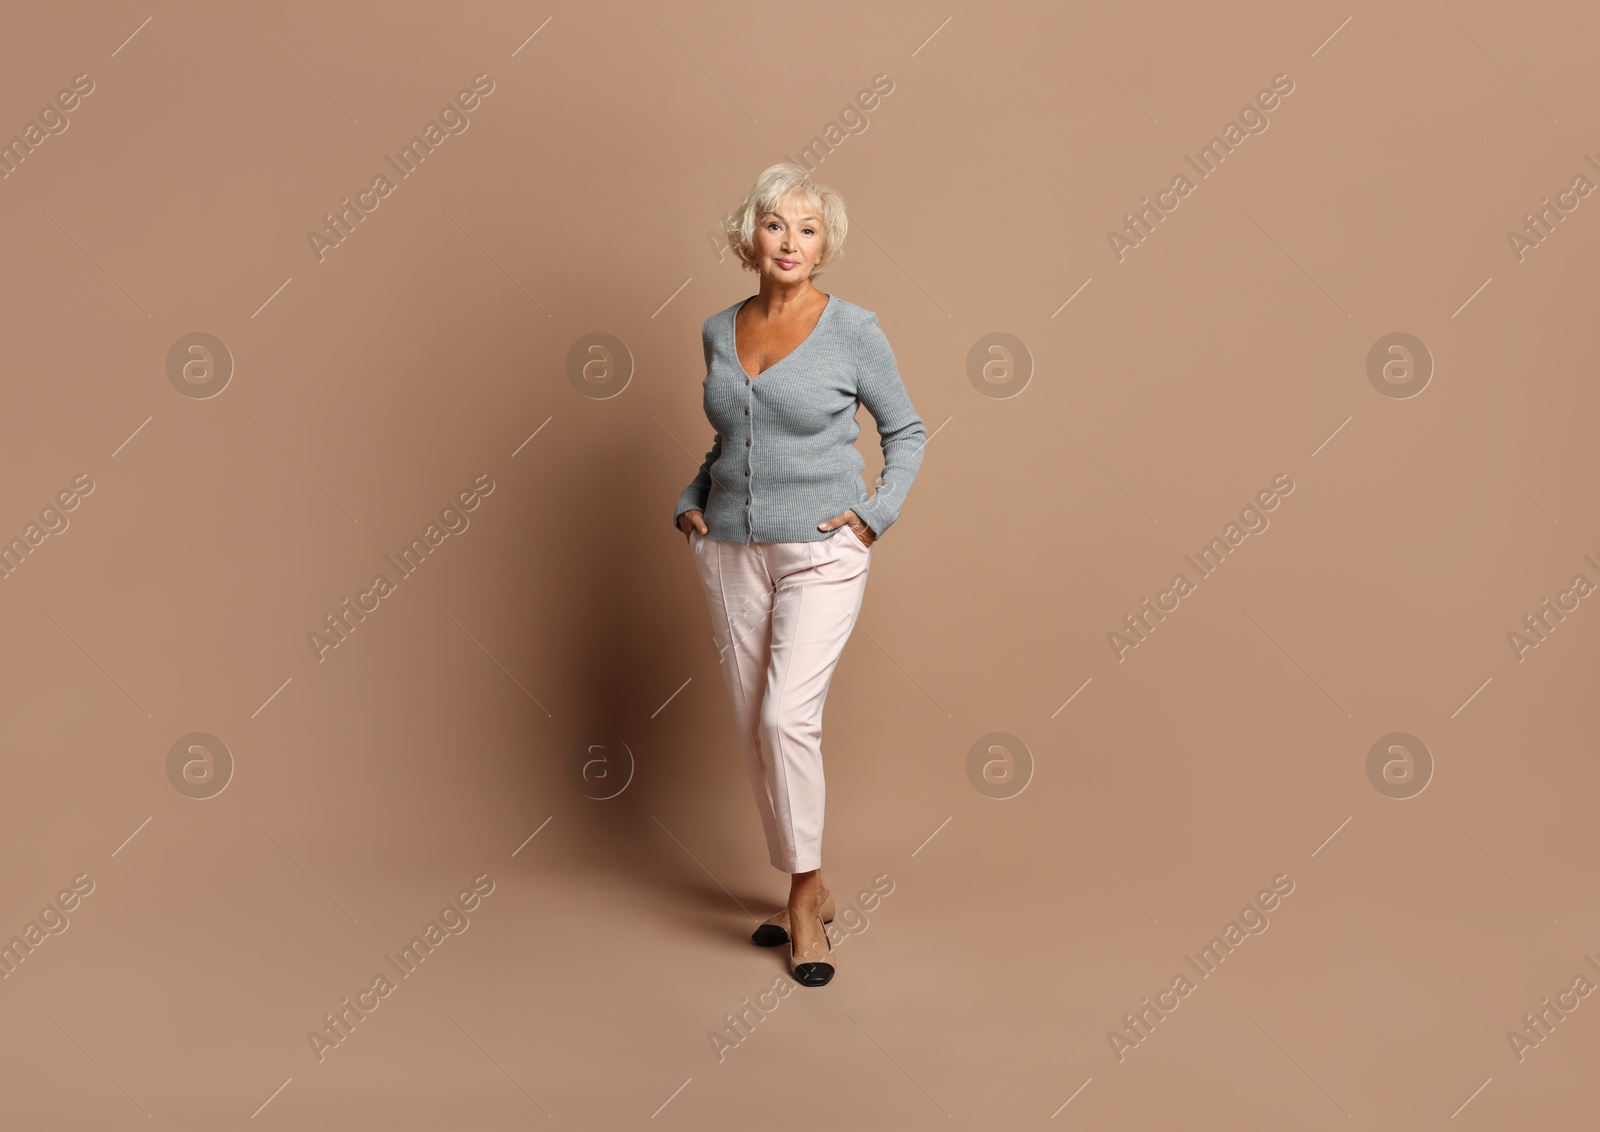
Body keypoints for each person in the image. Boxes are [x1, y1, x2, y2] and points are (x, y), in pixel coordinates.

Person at [673, 163, 927, 986]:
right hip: (729, 549)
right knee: (757, 726)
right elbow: (730, 444)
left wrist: (873, 515)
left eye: (808, 228)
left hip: (822, 551)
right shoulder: (720, 328)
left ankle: (805, 896)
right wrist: (689, 500)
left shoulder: (854, 330)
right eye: (776, 225)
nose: (790, 241)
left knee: (788, 718)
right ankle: (802, 888)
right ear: (752, 234)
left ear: (827, 246)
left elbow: (908, 430)